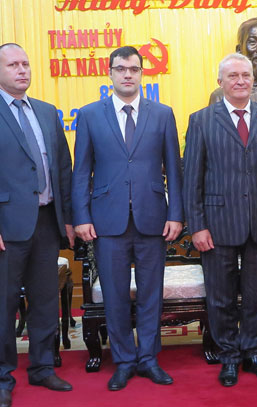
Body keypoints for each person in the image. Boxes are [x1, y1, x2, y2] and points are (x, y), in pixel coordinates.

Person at [0, 43, 75, 407]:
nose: (22, 70)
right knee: (5, 303)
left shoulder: (46, 111)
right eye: (13, 65)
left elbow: (63, 169)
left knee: (44, 301)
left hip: (46, 222)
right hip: (4, 228)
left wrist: (67, 219)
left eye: (26, 63)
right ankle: (1, 375)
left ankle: (41, 367)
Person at [71, 46, 183, 390]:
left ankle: (148, 358)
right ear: (109, 73)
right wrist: (81, 216)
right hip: (107, 221)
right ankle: (122, 360)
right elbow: (81, 171)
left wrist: (176, 214)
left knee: (152, 294)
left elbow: (174, 171)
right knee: (115, 294)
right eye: (121, 69)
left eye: (134, 69)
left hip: (152, 218)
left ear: (142, 73)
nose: (127, 75)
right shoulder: (90, 115)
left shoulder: (162, 114)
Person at [184, 53, 257, 387]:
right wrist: (197, 225)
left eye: (245, 75)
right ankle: (228, 357)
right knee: (221, 297)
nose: (240, 81)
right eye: (233, 76)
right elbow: (192, 178)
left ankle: (254, 353)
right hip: (216, 225)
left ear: (252, 80)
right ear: (220, 82)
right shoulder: (200, 120)